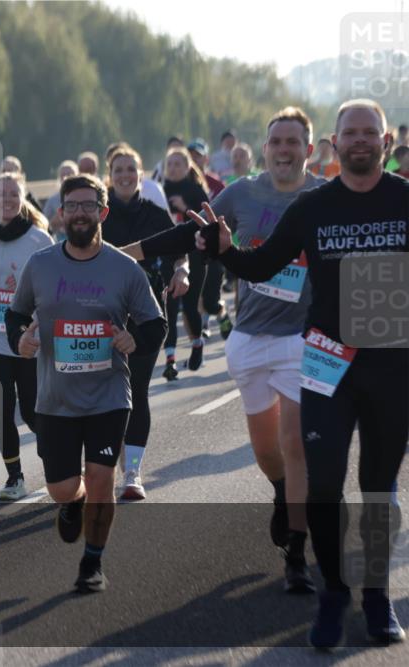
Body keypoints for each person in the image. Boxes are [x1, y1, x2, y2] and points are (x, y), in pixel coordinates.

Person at [194, 99, 408, 648]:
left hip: (390, 365)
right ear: (334, 146)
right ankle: (335, 594)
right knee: (325, 485)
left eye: (370, 133)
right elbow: (262, 265)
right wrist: (226, 252)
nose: (360, 141)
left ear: (385, 143)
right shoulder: (316, 206)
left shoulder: (405, 201)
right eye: (350, 134)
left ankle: (378, 598)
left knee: (379, 490)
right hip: (324, 361)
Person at [125, 106, 328, 594]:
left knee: (295, 443)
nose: (284, 149)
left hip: (303, 339)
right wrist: (128, 253)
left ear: (310, 148)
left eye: (293, 141)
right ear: (265, 149)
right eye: (276, 141)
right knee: (266, 451)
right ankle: (282, 494)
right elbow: (195, 234)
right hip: (251, 338)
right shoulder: (242, 193)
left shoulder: (324, 197)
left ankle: (297, 553)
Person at [6, 174, 166, 593]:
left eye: (88, 205)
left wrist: (137, 338)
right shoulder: (40, 265)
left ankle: (92, 562)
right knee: (62, 489)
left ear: (103, 212)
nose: (80, 213)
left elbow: (155, 322)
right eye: (72, 206)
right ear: (60, 214)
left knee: (100, 478)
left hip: (109, 394)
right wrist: (20, 338)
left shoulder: (124, 269)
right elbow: (15, 314)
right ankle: (72, 504)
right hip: (55, 397)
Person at [103, 145, 188, 500]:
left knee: (136, 391)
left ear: (140, 173)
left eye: (130, 169)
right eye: (118, 169)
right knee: (103, 395)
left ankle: (132, 473)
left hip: (147, 316)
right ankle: (99, 465)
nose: (124, 175)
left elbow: (178, 248)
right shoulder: (98, 213)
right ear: (110, 175)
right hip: (101, 316)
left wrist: (182, 270)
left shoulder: (155, 214)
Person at [0, 173, 53, 500]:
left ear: (23, 199)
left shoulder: (39, 241)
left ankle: (57, 462)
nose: (7, 199)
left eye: (14, 193)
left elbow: (50, 289)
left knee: (32, 411)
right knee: (1, 408)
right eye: (1, 194)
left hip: (28, 338)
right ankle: (14, 477)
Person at [161, 146, 214, 373]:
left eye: (178, 164)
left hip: (194, 253)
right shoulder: (159, 190)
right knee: (168, 306)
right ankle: (170, 360)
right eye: (169, 164)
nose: (173, 168)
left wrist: (185, 208)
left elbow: (208, 222)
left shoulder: (195, 190)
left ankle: (197, 345)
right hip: (166, 252)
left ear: (187, 167)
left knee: (191, 305)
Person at [42, 160, 78, 239]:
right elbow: (43, 222)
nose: (66, 177)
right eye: (63, 174)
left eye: (70, 174)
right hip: (59, 238)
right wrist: (55, 221)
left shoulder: (83, 197)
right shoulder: (52, 200)